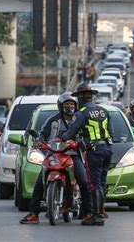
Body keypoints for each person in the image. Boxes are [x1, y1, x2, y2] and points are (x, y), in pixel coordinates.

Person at [20, 93, 92, 225]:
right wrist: (38, 141)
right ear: (60, 106)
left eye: (72, 104)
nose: (69, 107)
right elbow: (42, 134)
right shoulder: (52, 120)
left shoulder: (80, 120)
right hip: (53, 155)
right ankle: (33, 214)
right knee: (39, 183)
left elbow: (87, 136)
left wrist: (82, 143)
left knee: (83, 181)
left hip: (73, 155)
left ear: (76, 106)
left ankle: (88, 213)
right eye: (66, 104)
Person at [62, 84, 113, 226]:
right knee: (101, 183)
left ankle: (96, 216)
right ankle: (100, 212)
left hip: (94, 150)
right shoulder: (103, 111)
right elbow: (111, 132)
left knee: (94, 184)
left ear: (82, 98)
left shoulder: (82, 113)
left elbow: (70, 133)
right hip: (107, 149)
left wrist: (62, 137)